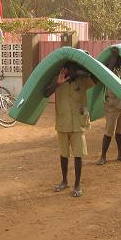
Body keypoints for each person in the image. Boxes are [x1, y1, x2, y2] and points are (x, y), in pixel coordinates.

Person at [44, 62, 96, 197]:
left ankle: (77, 184)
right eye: (67, 69)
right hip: (62, 123)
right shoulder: (58, 79)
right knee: (64, 154)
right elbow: (45, 93)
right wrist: (58, 83)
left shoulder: (83, 81)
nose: (69, 71)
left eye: (72, 69)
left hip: (78, 123)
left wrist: (84, 70)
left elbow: (97, 77)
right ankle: (64, 181)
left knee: (78, 155)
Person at [97, 47, 121, 165]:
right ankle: (103, 156)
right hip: (112, 105)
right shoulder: (111, 69)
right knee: (109, 132)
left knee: (120, 132)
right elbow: (106, 74)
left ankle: (120, 154)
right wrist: (114, 57)